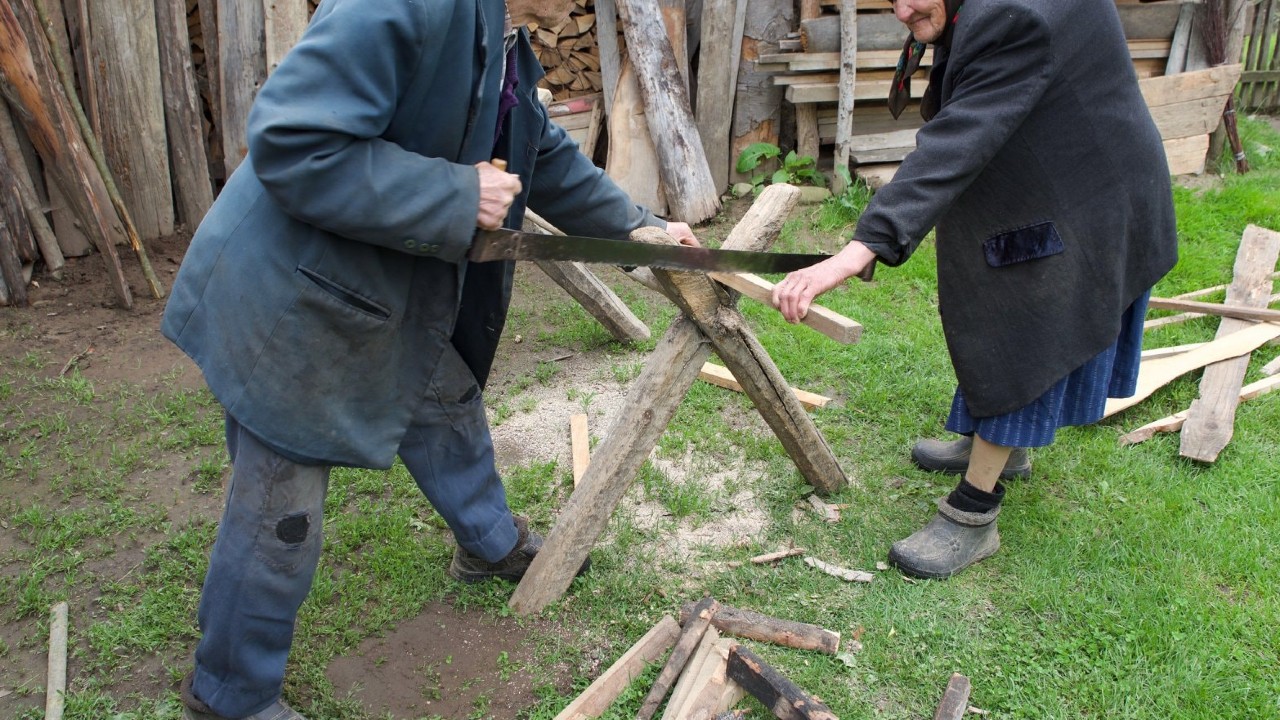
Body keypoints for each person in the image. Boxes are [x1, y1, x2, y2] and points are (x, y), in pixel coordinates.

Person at [160, 0, 697, 715]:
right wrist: (455, 193)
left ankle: (488, 542)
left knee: (444, 398)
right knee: (279, 510)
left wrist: (637, 230)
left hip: (382, 285)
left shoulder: (494, 19)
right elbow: (294, 140)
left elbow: (531, 141)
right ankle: (230, 693)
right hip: (295, 299)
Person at [771, 0, 1177, 580]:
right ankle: (999, 446)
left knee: (1026, 321)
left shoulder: (1017, 15)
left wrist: (858, 250)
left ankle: (973, 513)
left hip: (1091, 192)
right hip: (1054, 159)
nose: (902, 10)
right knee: (998, 298)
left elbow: (958, 136)